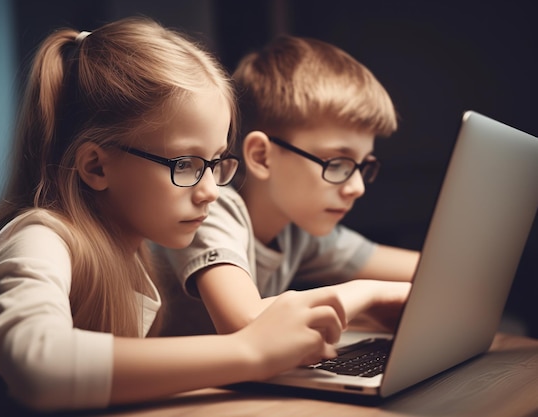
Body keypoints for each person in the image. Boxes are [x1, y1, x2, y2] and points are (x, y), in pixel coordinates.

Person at [0, 18, 351, 411]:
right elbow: (38, 365)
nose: (211, 191)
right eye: (185, 164)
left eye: (217, 162)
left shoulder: (135, 255)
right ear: (96, 166)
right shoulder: (39, 237)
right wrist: (250, 352)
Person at [152, 35, 420, 337]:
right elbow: (247, 324)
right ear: (262, 157)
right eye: (337, 164)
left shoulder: (296, 231)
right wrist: (370, 294)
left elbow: (430, 268)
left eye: (362, 166)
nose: (357, 187)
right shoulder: (211, 210)